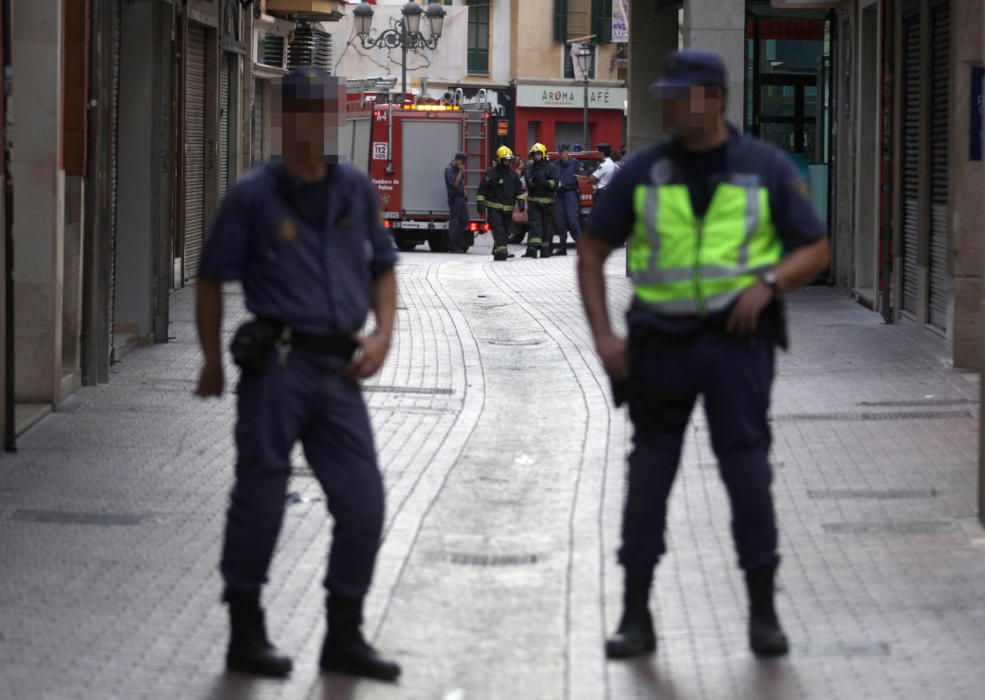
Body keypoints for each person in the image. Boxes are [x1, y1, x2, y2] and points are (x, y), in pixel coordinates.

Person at [577, 50, 830, 660]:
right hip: (660, 346)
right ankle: (636, 615)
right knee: (648, 479)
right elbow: (591, 251)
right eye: (666, 93)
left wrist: (768, 283)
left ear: (715, 100)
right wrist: (606, 339)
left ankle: (763, 613)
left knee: (747, 474)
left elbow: (815, 247)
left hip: (736, 346)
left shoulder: (762, 168)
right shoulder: (644, 172)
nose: (669, 104)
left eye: (682, 95)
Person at [194, 68, 402, 682]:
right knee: (261, 495)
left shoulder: (355, 191)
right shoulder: (254, 195)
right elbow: (210, 277)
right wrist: (210, 359)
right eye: (304, 112)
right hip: (279, 366)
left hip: (340, 368)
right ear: (285, 120)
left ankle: (344, 632)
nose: (316, 122)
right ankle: (245, 627)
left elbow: (383, 267)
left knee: (363, 500)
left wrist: (383, 335)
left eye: (325, 111)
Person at [477, 145, 524, 261]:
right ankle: (502, 251)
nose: (507, 162)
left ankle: (497, 251)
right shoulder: (491, 173)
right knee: (499, 229)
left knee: (505, 230)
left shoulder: (513, 175)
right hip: (494, 208)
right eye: (505, 160)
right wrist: (480, 203)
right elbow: (482, 189)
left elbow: (519, 189)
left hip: (508, 210)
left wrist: (521, 201)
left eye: (509, 160)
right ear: (499, 159)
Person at [519, 143, 559, 259]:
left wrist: (546, 183)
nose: (536, 157)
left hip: (548, 204)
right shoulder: (529, 168)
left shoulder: (552, 168)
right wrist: (534, 181)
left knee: (547, 228)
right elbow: (528, 182)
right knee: (535, 226)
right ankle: (532, 249)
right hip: (534, 203)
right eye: (534, 154)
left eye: (538, 154)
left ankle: (545, 250)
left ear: (543, 154)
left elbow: (555, 183)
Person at [553, 145, 583, 256]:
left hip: (570, 193)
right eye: (559, 151)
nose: (561, 153)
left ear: (567, 152)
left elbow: (582, 175)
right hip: (559, 194)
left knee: (572, 220)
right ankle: (562, 247)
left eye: (562, 151)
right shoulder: (555, 164)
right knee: (560, 221)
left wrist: (580, 177)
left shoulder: (575, 163)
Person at [445, 151, 470, 253]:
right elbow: (455, 183)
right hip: (454, 198)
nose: (463, 164)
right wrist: (460, 172)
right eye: (462, 162)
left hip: (461, 198)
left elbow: (461, 183)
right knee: (455, 222)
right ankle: (453, 245)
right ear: (457, 160)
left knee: (465, 220)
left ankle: (457, 239)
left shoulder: (458, 168)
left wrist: (464, 191)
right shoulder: (449, 169)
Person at [589, 143, 617, 211]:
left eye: (598, 152)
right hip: (608, 192)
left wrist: (595, 180)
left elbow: (591, 179)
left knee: (597, 214)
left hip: (602, 193)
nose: (597, 154)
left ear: (602, 153)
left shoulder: (604, 165)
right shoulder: (612, 163)